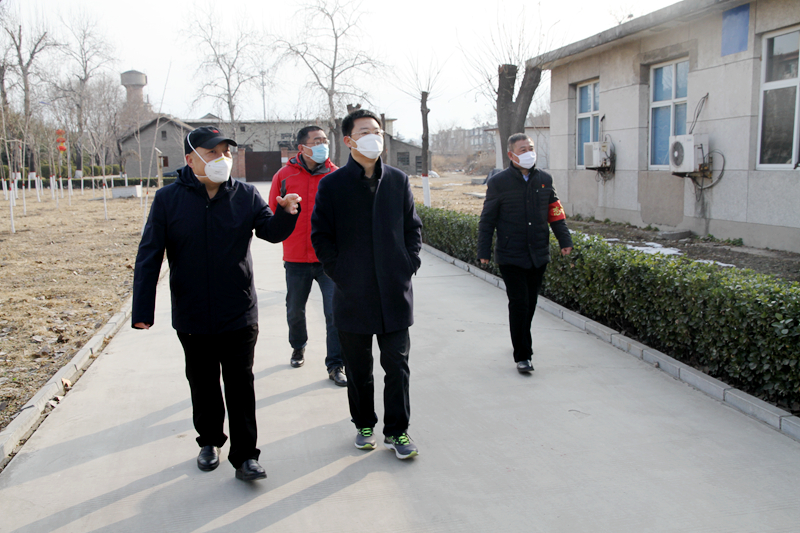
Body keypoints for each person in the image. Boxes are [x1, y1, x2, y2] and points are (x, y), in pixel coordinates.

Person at [132, 126, 301, 481]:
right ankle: (209, 441)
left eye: (226, 152)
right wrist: (142, 310)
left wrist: (286, 213)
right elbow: (150, 255)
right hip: (191, 312)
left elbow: (271, 232)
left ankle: (246, 456)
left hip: (238, 309)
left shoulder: (245, 195)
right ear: (190, 159)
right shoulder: (168, 199)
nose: (222, 158)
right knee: (203, 382)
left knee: (240, 384)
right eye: (212, 153)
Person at [311, 109, 423, 460]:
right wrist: (341, 273)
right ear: (348, 140)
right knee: (359, 369)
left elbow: (412, 228)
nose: (374, 136)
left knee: (397, 366)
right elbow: (321, 236)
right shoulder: (332, 185)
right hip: (352, 295)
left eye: (377, 131)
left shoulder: (397, 181)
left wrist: (408, 264)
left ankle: (397, 431)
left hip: (394, 291)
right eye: (365, 132)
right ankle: (363, 424)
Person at [478, 133, 573, 374]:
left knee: (530, 303)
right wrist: (483, 250)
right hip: (511, 254)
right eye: (523, 149)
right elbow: (487, 220)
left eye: (531, 148)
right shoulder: (499, 182)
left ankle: (521, 337)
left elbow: (556, 213)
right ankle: (523, 355)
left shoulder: (544, 179)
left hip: (538, 253)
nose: (529, 152)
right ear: (511, 155)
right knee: (519, 303)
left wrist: (564, 240)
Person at [268, 126, 346, 387]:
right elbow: (272, 213)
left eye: (325, 140)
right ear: (302, 147)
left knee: (334, 313)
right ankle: (298, 346)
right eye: (317, 141)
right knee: (295, 309)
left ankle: (336, 364)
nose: (323, 144)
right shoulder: (284, 176)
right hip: (296, 258)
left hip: (328, 260)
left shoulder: (336, 175)